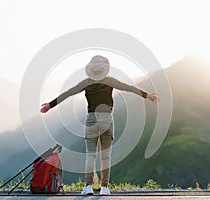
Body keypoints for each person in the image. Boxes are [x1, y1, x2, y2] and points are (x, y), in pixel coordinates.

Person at [40, 55, 160, 195]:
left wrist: (50, 105)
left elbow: (68, 93)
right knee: (106, 156)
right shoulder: (110, 81)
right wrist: (148, 96)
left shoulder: (86, 82)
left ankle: (88, 187)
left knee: (91, 155)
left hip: (91, 120)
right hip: (107, 119)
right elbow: (129, 88)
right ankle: (104, 188)